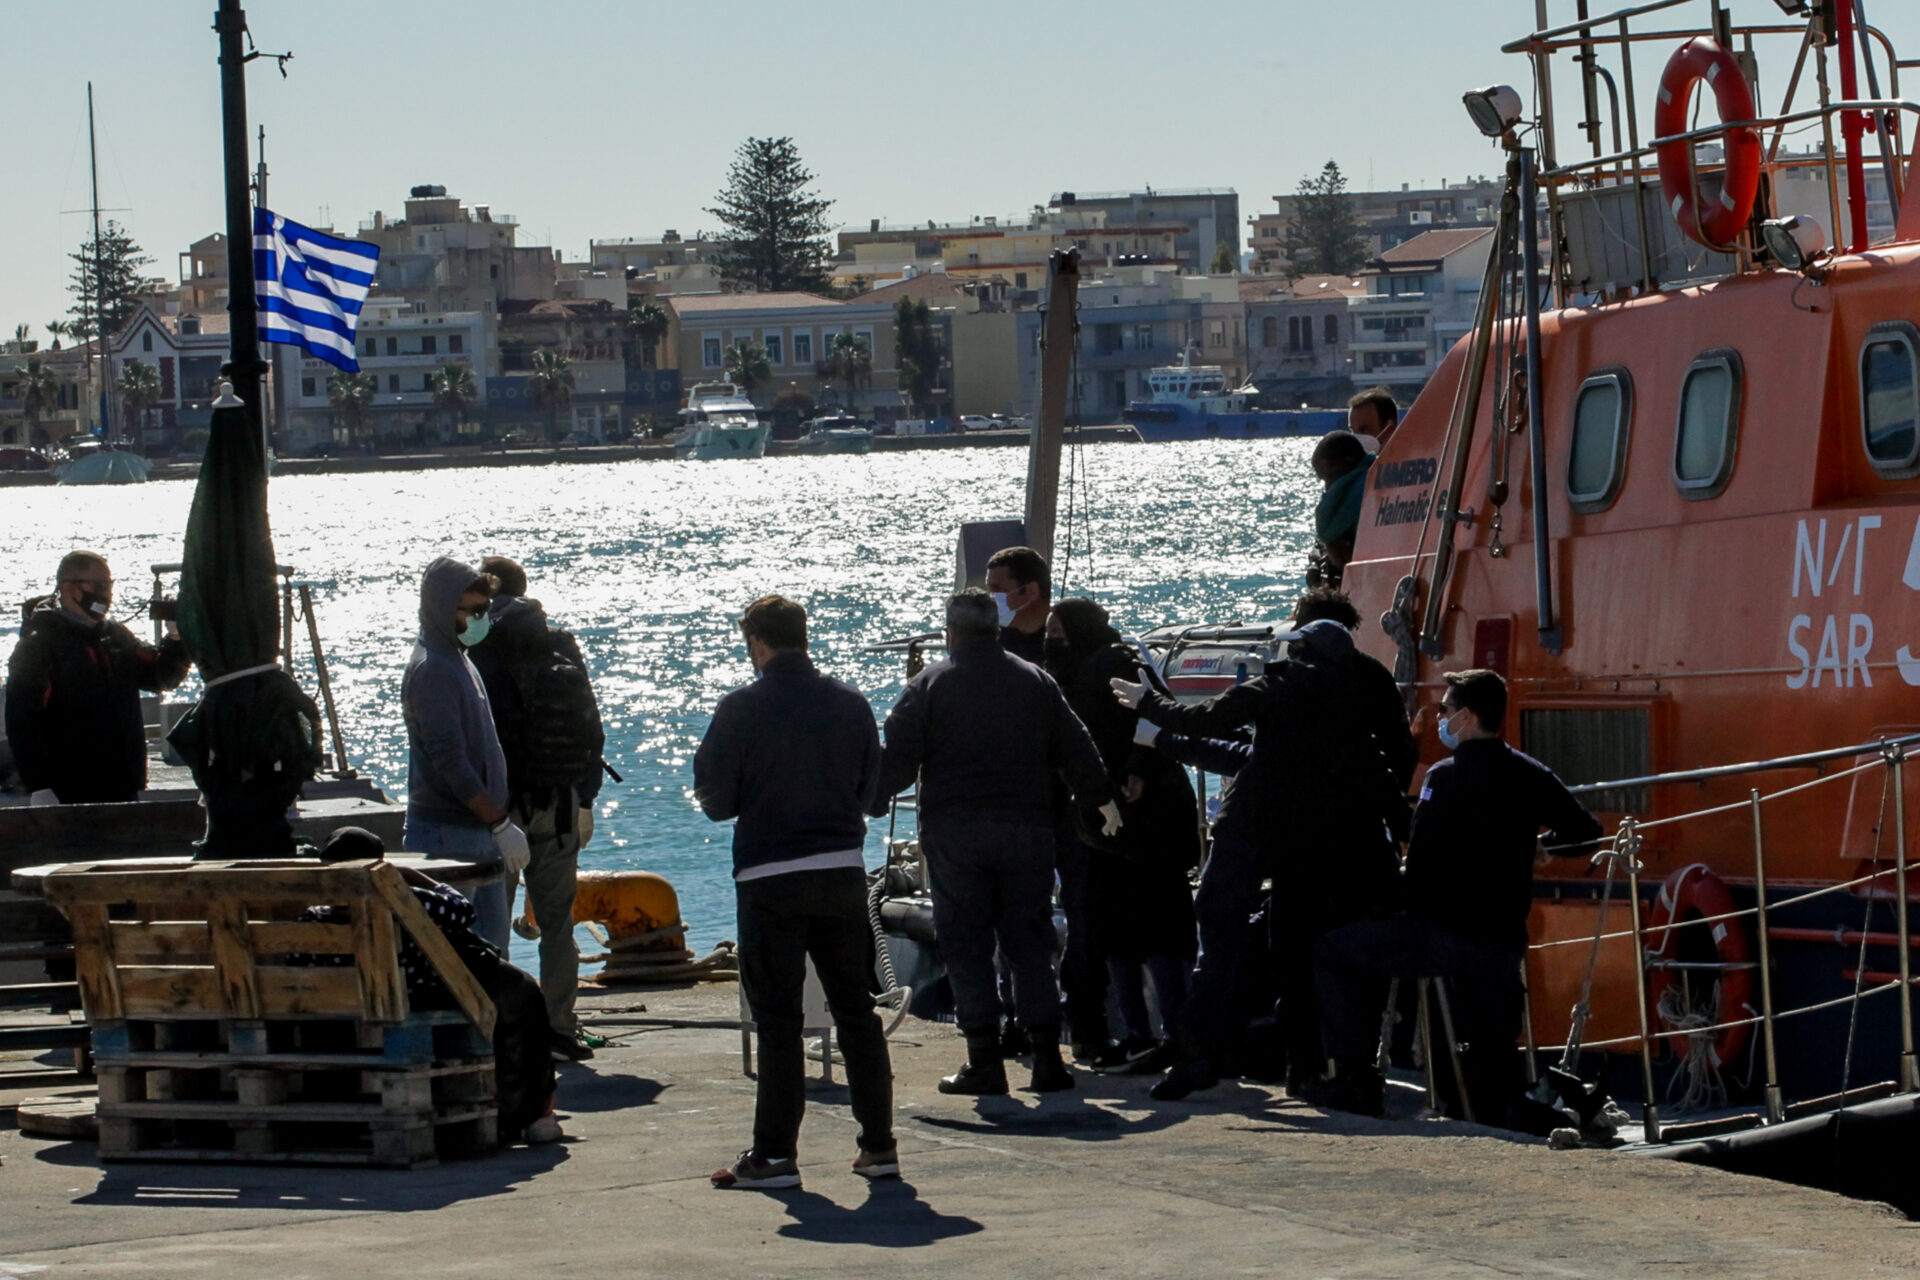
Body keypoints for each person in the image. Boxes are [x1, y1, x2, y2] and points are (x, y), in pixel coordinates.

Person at [1114, 588, 1415, 1101]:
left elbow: (1206, 720)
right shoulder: (1361, 695)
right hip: (1330, 842)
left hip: (1260, 832)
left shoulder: (1278, 685)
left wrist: (1150, 706)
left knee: (1228, 940)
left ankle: (1202, 1055)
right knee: (1314, 953)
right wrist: (1399, 833)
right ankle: (1325, 1068)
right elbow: (1390, 767)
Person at [1313, 669, 1602, 1120]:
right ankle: (1526, 1109)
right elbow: (1586, 831)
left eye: (1445, 710)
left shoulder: (1443, 777)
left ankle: (1355, 1078)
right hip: (1502, 940)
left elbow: (1421, 859)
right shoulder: (1529, 772)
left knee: (1334, 951)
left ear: (1466, 717)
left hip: (1442, 936)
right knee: (1491, 1050)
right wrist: (1541, 846)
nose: (1440, 718)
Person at [873, 588, 1121, 1095]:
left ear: (951, 631)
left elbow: (896, 763)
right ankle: (1047, 1059)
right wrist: (1101, 799)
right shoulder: (1035, 679)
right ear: (996, 628)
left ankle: (984, 1061)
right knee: (1029, 942)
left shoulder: (929, 684)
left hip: (956, 835)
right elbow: (1077, 747)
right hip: (1027, 830)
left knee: (966, 943)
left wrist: (870, 800)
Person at [693, 595, 897, 1191]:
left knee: (778, 1019)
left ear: (757, 642)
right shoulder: (851, 703)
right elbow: (872, 792)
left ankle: (775, 1154)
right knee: (856, 1011)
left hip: (770, 876)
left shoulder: (740, 707)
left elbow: (715, 800)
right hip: (840, 870)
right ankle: (878, 1146)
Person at [300, 827, 561, 1145]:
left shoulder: (314, 918)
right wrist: (412, 877)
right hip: (416, 994)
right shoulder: (405, 900)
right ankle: (532, 1113)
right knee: (521, 993)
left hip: (347, 1002)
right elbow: (462, 910)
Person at [1045, 598, 1200, 1073]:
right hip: (1106, 820)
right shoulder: (1068, 675)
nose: (1053, 642)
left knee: (1158, 925)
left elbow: (1157, 711)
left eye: (1059, 632)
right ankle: (1139, 1035)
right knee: (1116, 928)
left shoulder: (1114, 661)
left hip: (1149, 818)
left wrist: (1138, 768)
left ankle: (1174, 1035)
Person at [467, 555, 606, 1063]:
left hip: (500, 810)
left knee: (490, 926)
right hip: (561, 802)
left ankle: (498, 1033)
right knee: (558, 926)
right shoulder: (558, 642)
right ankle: (560, 1028)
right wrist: (585, 798)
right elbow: (592, 727)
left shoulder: (478, 646)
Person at [401, 557, 529, 951]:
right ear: (443, 610)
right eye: (472, 611)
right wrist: (500, 824)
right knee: (453, 957)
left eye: (484, 609)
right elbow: (450, 760)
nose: (480, 619)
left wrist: (495, 826)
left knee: (493, 953)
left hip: (478, 833)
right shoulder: (433, 670)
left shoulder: (459, 659)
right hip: (447, 835)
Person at [5, 551, 191, 805]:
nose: (106, 595)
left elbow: (159, 678)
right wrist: (39, 786)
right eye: (99, 586)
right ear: (69, 588)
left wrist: (177, 639)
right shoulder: (39, 646)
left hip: (123, 784)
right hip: (68, 790)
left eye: (109, 585)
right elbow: (21, 721)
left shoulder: (115, 636)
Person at [1305, 430, 1377, 590]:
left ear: (1349, 461)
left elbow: (1327, 531)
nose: (1328, 488)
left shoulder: (1361, 488)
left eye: (1330, 477)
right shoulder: (1379, 470)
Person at [984, 545, 1050, 666]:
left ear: (1032, 591)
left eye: (997, 589)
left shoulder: (1064, 638)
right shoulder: (990, 640)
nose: (990, 597)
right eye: (989, 590)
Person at [1346, 385, 1399, 452]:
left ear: (1389, 431)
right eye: (1352, 430)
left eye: (1364, 430)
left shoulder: (1408, 457)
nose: (1356, 439)